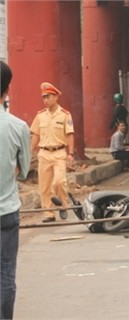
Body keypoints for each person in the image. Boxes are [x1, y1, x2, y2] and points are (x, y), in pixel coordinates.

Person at [0, 60, 31, 319]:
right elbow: (25, 169)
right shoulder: (19, 127)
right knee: (6, 274)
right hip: (7, 211)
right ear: (6, 91)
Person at [30, 82, 75, 223]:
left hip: (59, 152)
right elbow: (35, 135)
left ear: (56, 97)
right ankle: (48, 213)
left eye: (48, 97)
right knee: (44, 186)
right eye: (43, 98)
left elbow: (70, 135)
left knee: (59, 181)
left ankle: (62, 203)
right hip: (44, 153)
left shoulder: (65, 115)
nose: (45, 100)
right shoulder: (40, 116)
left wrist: (71, 154)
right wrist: (29, 152)